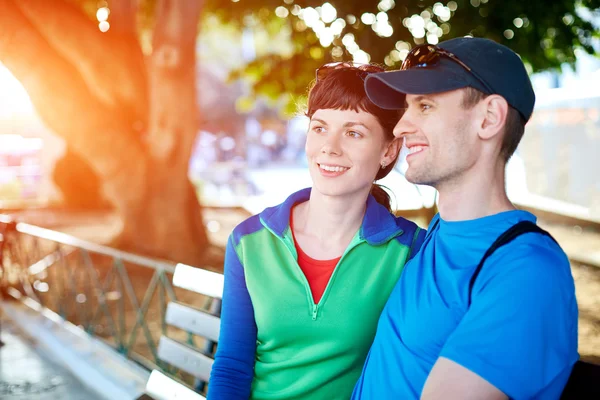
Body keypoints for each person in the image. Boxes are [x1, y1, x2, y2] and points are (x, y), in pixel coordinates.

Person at [352, 37, 579, 399]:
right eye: (407, 108)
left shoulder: (527, 271)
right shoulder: (440, 234)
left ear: (488, 119)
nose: (399, 127)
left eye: (424, 106)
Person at [207, 63, 427, 400]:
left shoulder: (410, 251)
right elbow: (233, 365)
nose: (330, 147)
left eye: (353, 133)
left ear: (389, 150)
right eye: (320, 128)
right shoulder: (248, 241)